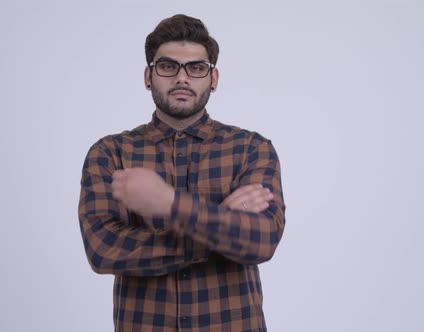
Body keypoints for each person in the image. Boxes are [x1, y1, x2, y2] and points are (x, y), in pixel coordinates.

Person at [78, 14, 286, 331]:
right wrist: (218, 223)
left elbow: (262, 240)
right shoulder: (111, 153)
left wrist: (169, 205)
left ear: (213, 78)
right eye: (167, 66)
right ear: (148, 76)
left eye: (196, 68)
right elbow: (104, 250)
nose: (181, 78)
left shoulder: (251, 148)